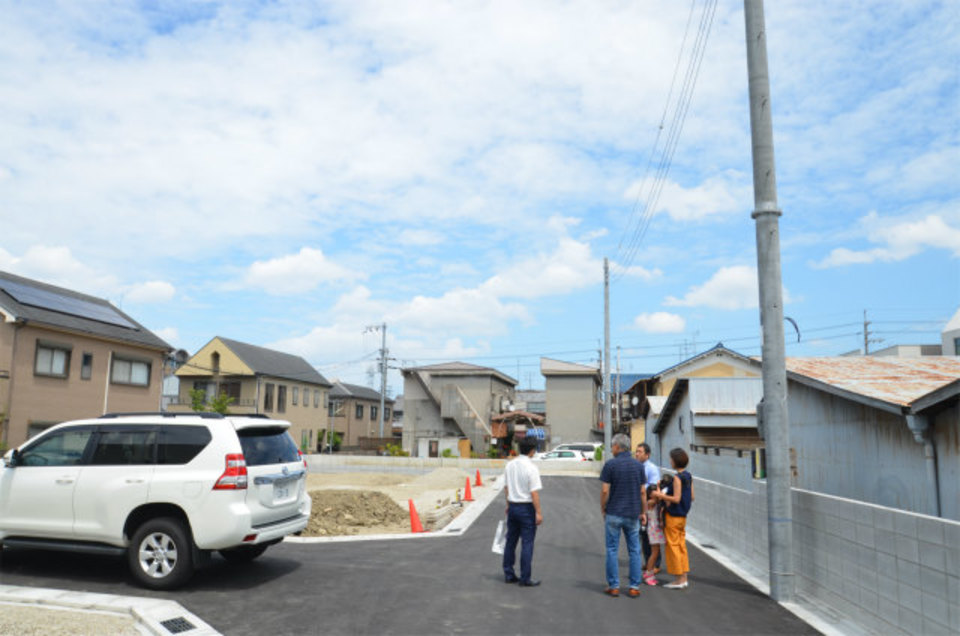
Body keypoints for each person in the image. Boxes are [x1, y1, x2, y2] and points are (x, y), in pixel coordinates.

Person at [600, 433, 647, 598]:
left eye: (612, 446)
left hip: (614, 512)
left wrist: (603, 508)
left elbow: (605, 490)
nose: (611, 449)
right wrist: (644, 512)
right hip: (633, 513)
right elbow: (642, 492)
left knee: (612, 549)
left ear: (617, 447)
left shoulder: (610, 465)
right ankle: (634, 586)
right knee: (634, 550)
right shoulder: (638, 466)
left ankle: (614, 586)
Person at [502, 436, 543, 587]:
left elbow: (506, 487)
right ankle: (525, 577)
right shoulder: (531, 467)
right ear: (532, 451)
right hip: (526, 508)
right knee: (527, 543)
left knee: (510, 541)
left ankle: (509, 574)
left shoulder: (510, 465)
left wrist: (508, 504)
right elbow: (534, 493)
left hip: (512, 506)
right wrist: (538, 512)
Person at [653, 447, 694, 589]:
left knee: (673, 547)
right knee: (681, 546)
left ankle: (678, 579)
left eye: (671, 459)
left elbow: (676, 498)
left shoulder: (677, 477)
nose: (670, 461)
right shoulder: (688, 476)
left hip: (673, 516)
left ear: (675, 461)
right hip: (683, 517)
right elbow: (692, 497)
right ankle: (684, 577)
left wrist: (660, 495)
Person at [634, 443, 661, 571]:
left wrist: (639, 489)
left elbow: (653, 486)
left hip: (649, 505)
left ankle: (656, 564)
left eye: (640, 451)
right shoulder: (635, 467)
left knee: (651, 535)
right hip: (639, 504)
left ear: (647, 454)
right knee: (643, 534)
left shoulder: (651, 468)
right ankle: (648, 561)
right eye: (636, 451)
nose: (637, 454)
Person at [642, 484, 665, 585]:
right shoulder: (650, 502)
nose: (657, 493)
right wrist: (660, 489)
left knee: (656, 552)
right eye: (654, 492)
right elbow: (660, 498)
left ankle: (649, 573)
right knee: (654, 553)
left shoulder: (653, 501)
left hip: (655, 529)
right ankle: (648, 574)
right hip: (653, 529)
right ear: (650, 494)